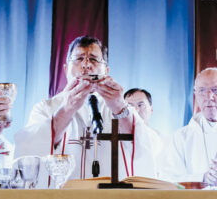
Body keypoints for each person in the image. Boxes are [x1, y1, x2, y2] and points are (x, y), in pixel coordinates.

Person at [14, 36, 159, 183]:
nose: (86, 65)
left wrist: (119, 107)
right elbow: (29, 148)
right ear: (66, 69)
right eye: (79, 58)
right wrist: (67, 109)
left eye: (94, 59)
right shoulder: (45, 108)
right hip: (62, 195)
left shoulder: (120, 108)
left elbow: (147, 146)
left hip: (111, 195)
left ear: (106, 71)